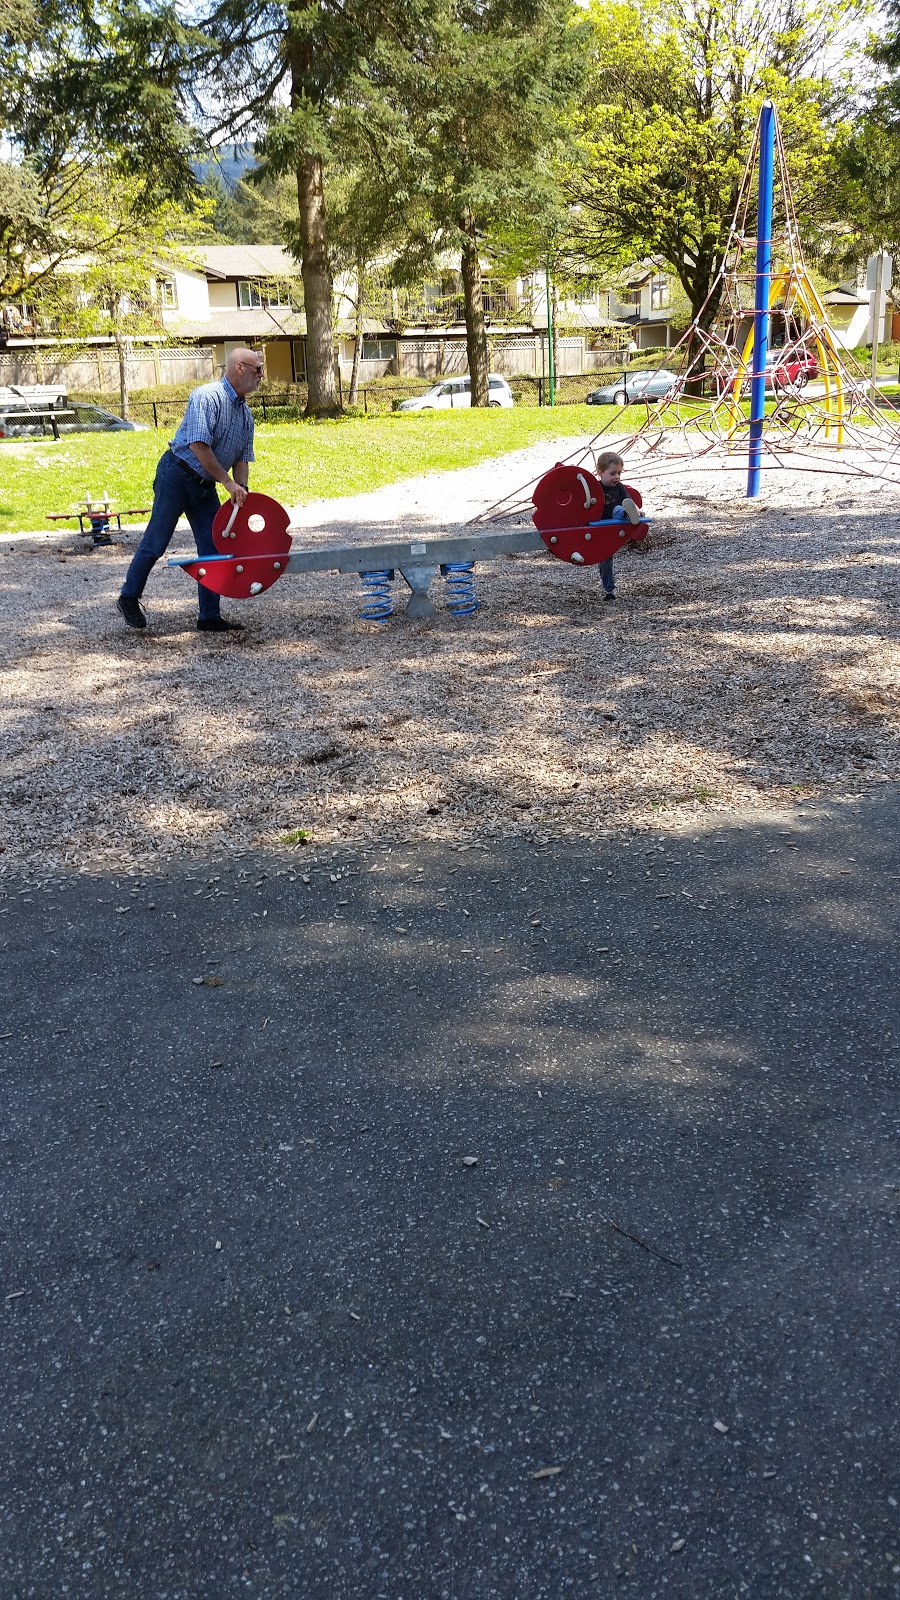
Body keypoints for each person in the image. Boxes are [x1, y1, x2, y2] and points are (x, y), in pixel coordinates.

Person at [116, 347, 264, 632]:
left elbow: (241, 458)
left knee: (213, 547)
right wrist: (227, 482)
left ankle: (209, 617)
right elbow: (198, 446)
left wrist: (241, 488)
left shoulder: (246, 415)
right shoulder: (206, 396)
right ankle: (129, 596)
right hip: (177, 474)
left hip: (205, 484)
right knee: (156, 541)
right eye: (258, 369)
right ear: (240, 368)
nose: (262, 375)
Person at [593, 451, 642, 602]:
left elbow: (628, 500)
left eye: (619, 473)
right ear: (600, 473)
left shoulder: (619, 487)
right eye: (612, 473)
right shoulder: (596, 488)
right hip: (602, 527)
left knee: (619, 509)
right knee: (605, 560)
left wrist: (637, 511)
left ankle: (629, 514)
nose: (617, 477)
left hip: (616, 520)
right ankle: (609, 591)